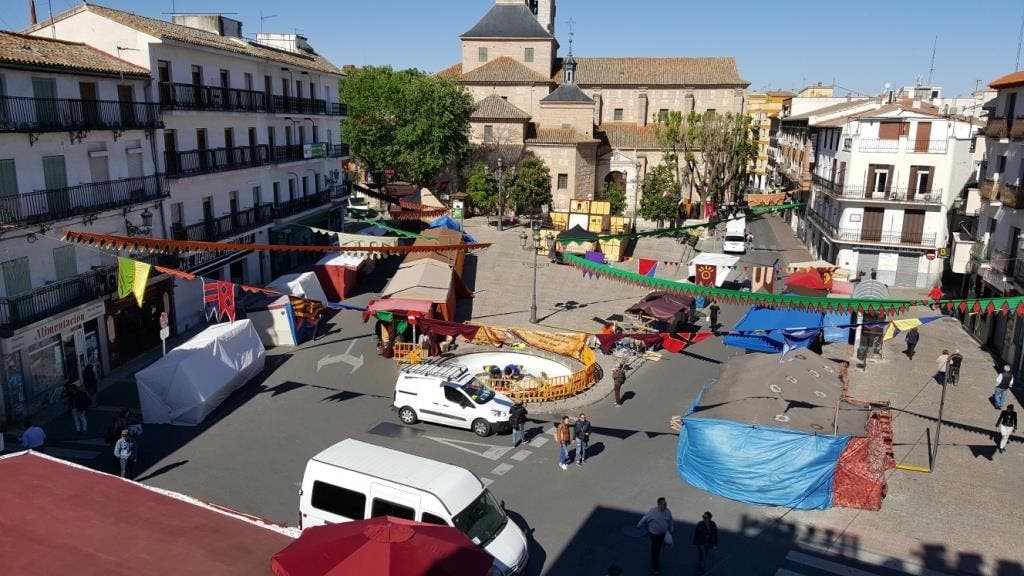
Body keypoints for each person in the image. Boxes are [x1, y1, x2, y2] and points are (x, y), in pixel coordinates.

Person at [637, 497, 674, 575]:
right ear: (659, 505)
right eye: (664, 504)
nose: (665, 506)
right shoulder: (653, 511)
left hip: (662, 534)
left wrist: (671, 529)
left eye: (666, 504)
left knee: (660, 547)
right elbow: (645, 517)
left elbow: (670, 521)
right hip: (654, 534)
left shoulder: (668, 512)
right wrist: (639, 524)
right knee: (655, 549)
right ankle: (655, 568)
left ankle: (656, 559)